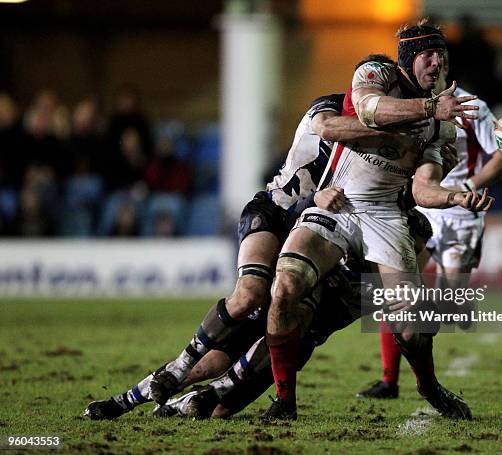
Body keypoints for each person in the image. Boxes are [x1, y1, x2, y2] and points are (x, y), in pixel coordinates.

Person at [142, 51, 474, 407]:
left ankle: (201, 398)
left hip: (341, 220)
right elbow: (331, 126)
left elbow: (420, 184)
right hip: (289, 208)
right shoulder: (336, 106)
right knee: (254, 296)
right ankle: (167, 378)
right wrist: (401, 126)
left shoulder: (425, 149)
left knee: (294, 334)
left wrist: (449, 190)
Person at [83, 86, 431, 419]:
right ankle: (146, 389)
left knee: (223, 400)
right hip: (280, 216)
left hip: (315, 257)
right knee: (249, 296)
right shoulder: (333, 109)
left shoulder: (394, 215)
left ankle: (190, 400)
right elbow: (323, 131)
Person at [261, 20, 492, 421]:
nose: (437, 63)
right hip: (339, 203)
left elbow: (423, 189)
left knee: (411, 329)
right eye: (428, 55)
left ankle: (429, 386)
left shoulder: (444, 126)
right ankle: (284, 401)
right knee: (286, 286)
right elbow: (368, 109)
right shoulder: (375, 72)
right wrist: (427, 109)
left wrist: (457, 196)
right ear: (408, 58)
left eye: (442, 56)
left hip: (386, 216)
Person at [356, 50, 502, 400]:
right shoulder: (407, 104)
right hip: (419, 202)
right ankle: (389, 380)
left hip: (458, 210)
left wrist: (469, 188)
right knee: (392, 293)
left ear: (445, 69)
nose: (431, 70)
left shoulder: (472, 106)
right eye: (425, 64)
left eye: (437, 64)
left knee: (448, 303)